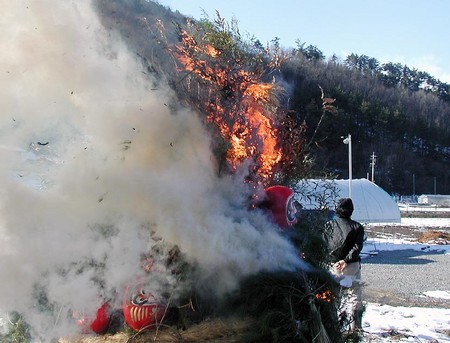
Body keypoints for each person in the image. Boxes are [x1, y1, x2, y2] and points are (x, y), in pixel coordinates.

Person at [325, 198, 365, 333]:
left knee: (333, 298)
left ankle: (332, 327)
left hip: (334, 265)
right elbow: (357, 247)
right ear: (351, 211)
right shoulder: (358, 227)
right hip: (351, 265)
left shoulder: (329, 225)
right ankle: (356, 329)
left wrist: (335, 261)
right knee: (355, 297)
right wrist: (346, 260)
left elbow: (325, 243)